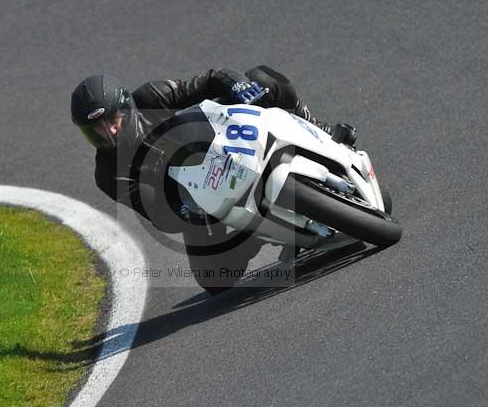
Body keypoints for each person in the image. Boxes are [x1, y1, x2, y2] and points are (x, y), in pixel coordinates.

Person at [70, 66, 356, 294]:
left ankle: (318, 129)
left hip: (223, 142)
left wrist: (237, 85)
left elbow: (209, 80)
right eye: (95, 130)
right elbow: (155, 213)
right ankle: (262, 232)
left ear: (126, 107)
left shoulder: (151, 97)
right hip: (199, 198)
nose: (108, 133)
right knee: (213, 280)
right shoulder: (108, 174)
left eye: (111, 120)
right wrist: (182, 209)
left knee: (261, 78)